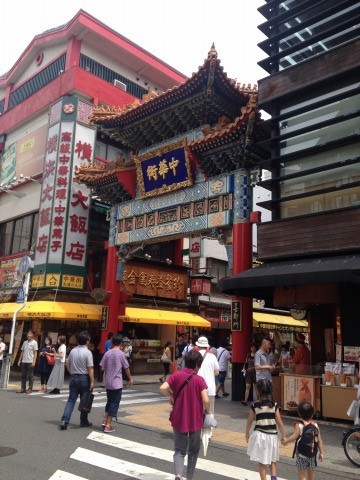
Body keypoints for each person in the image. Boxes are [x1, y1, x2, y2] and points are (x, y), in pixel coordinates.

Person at [160, 349, 210, 480]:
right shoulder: (199, 380)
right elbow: (206, 400)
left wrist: (171, 396)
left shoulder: (176, 375)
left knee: (179, 450)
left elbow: (162, 387)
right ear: (197, 365)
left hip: (179, 417)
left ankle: (178, 475)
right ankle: (189, 476)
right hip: (195, 419)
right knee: (193, 450)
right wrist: (208, 412)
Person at [245, 379, 285, 480]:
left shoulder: (255, 405)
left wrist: (247, 433)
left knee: (262, 462)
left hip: (260, 436)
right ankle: (273, 478)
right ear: (270, 391)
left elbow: (249, 421)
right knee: (273, 460)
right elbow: (279, 423)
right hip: (272, 436)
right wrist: (283, 435)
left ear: (258, 391)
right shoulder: (274, 405)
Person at [60, 331, 94, 430]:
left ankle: (64, 420)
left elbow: (67, 362)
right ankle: (83, 421)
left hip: (74, 377)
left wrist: (71, 372)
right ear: (87, 341)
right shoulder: (88, 352)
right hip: (84, 378)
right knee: (85, 400)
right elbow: (90, 368)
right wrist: (92, 381)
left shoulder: (73, 351)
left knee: (71, 400)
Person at [281, 401, 324, 480]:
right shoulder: (316, 425)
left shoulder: (299, 424)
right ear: (312, 414)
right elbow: (319, 440)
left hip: (301, 452)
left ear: (299, 414)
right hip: (312, 453)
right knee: (311, 471)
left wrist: (286, 441)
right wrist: (321, 452)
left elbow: (294, 436)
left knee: (302, 473)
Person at [100, 333, 133, 432]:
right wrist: (130, 378)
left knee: (109, 402)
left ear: (112, 342)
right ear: (121, 343)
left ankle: (105, 421)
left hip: (108, 382)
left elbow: (102, 367)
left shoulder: (107, 353)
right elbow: (126, 368)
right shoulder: (121, 354)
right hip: (117, 383)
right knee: (114, 403)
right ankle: (108, 425)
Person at [195, 336, 219, 416]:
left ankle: (198, 427)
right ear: (207, 346)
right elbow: (217, 372)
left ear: (198, 346)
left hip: (197, 387)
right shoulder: (212, 356)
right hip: (210, 387)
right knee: (209, 413)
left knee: (197, 412)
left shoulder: (194, 356)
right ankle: (208, 427)